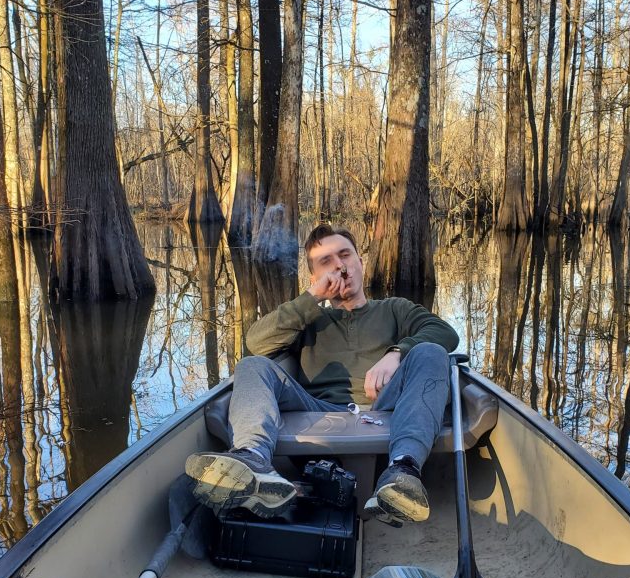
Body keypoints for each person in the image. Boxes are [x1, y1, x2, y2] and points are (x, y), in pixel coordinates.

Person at [185, 223, 459, 525]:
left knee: (431, 352)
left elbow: (444, 332)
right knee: (251, 365)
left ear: (361, 262)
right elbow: (256, 342)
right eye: (326, 262)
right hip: (316, 408)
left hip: (388, 407)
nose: (340, 266)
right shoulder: (307, 317)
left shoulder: (394, 309)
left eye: (345, 255)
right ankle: (253, 458)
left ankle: (403, 470)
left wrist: (397, 353)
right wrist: (312, 298)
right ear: (314, 277)